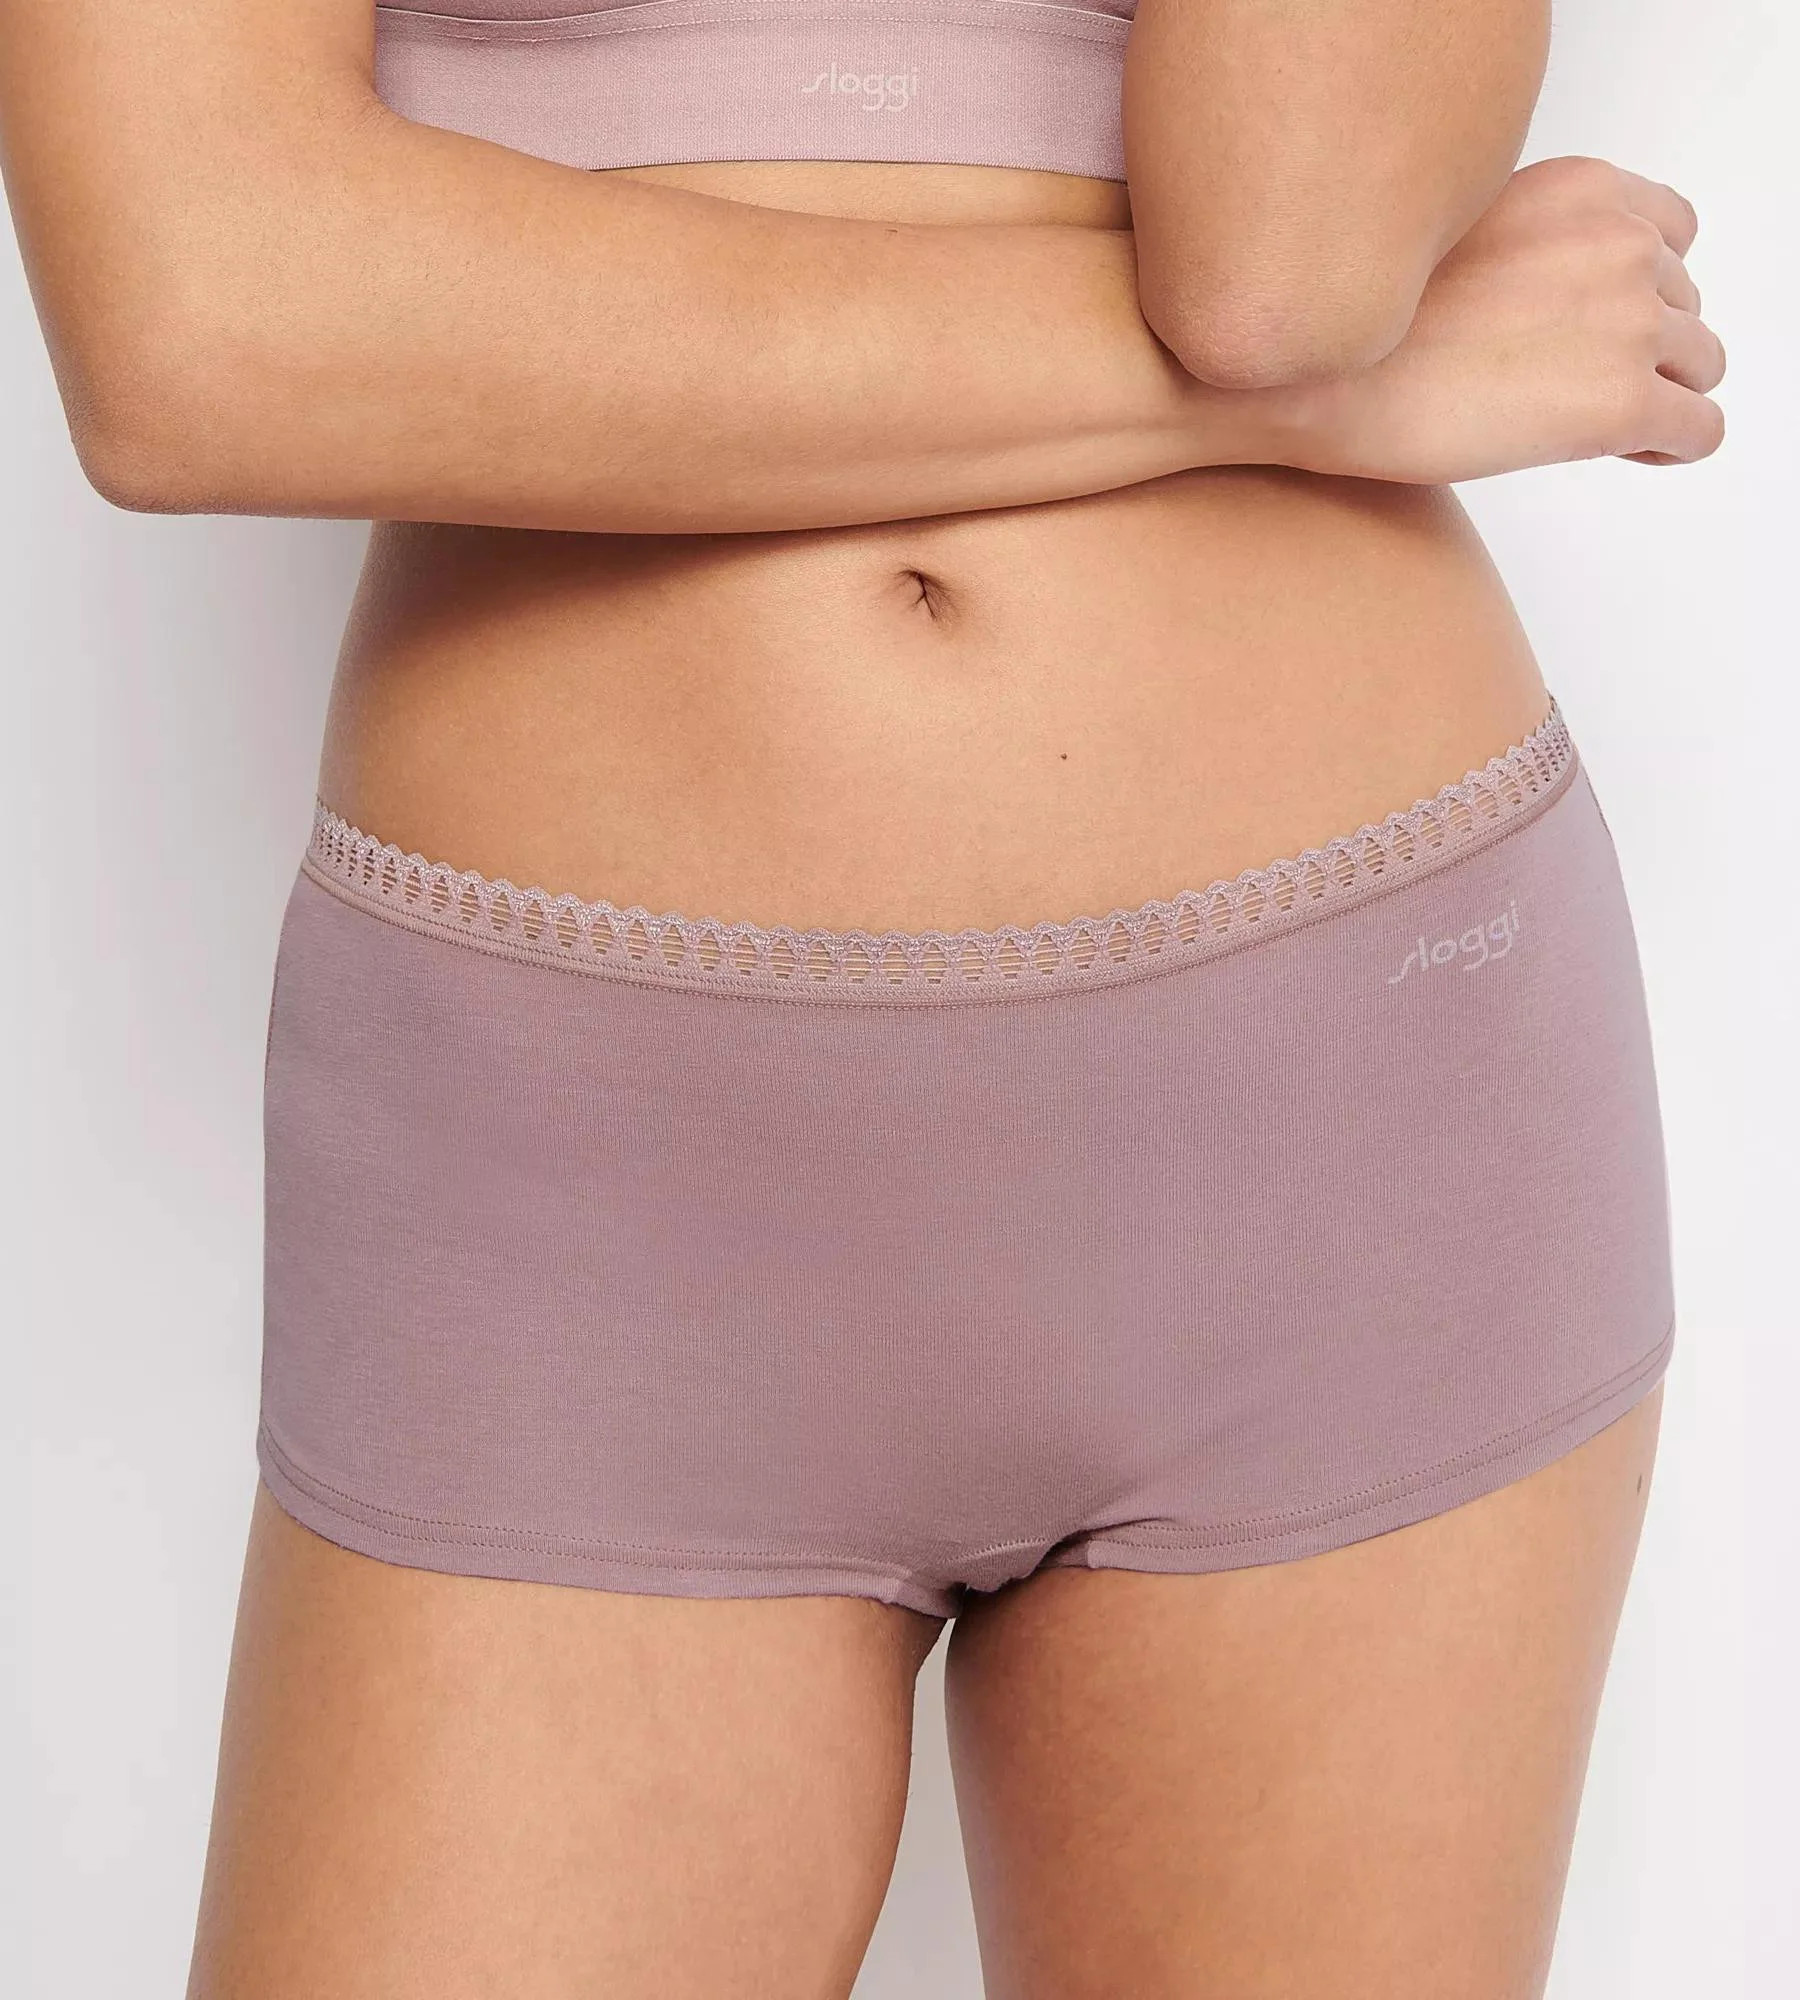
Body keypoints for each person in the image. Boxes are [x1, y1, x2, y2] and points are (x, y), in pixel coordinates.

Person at [0, 1, 1725, 1993]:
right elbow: (203, 323)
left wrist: (1299, 373)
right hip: (580, 1191)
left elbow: (1288, 271)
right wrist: (1303, 408)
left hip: (1335, 1097)